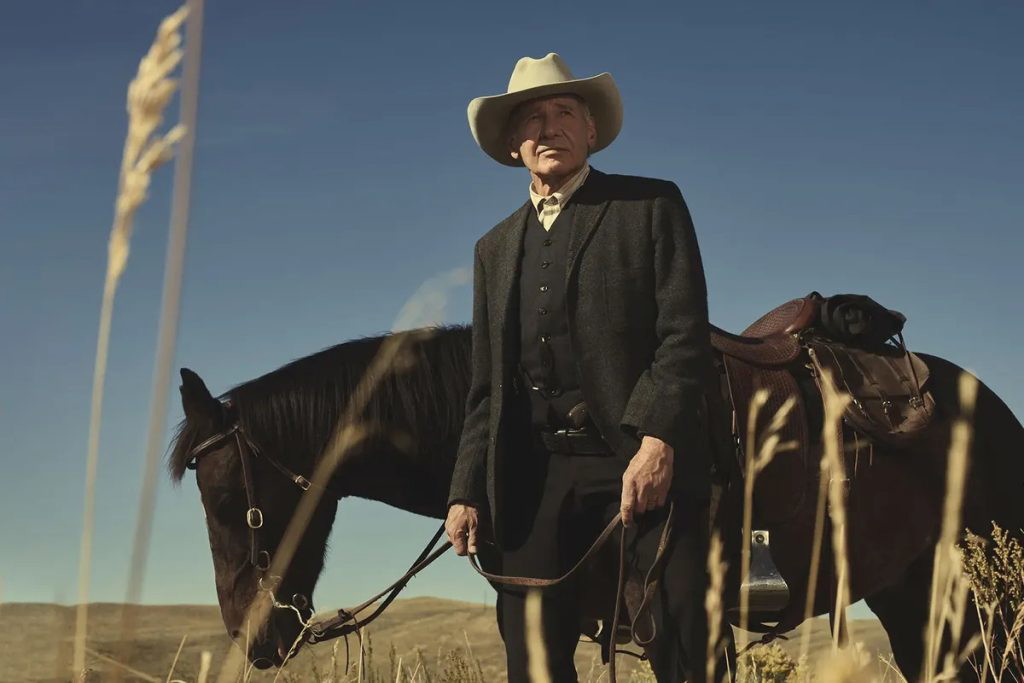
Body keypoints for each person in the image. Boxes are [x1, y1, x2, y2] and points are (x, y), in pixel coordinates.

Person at [445, 53, 720, 682]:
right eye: (533, 118)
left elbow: (684, 337)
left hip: (634, 454)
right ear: (514, 144)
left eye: (565, 112)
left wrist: (658, 441)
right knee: (531, 656)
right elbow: (487, 387)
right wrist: (465, 489)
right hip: (536, 469)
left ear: (591, 131)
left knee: (683, 645)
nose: (549, 127)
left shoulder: (650, 206)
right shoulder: (492, 249)